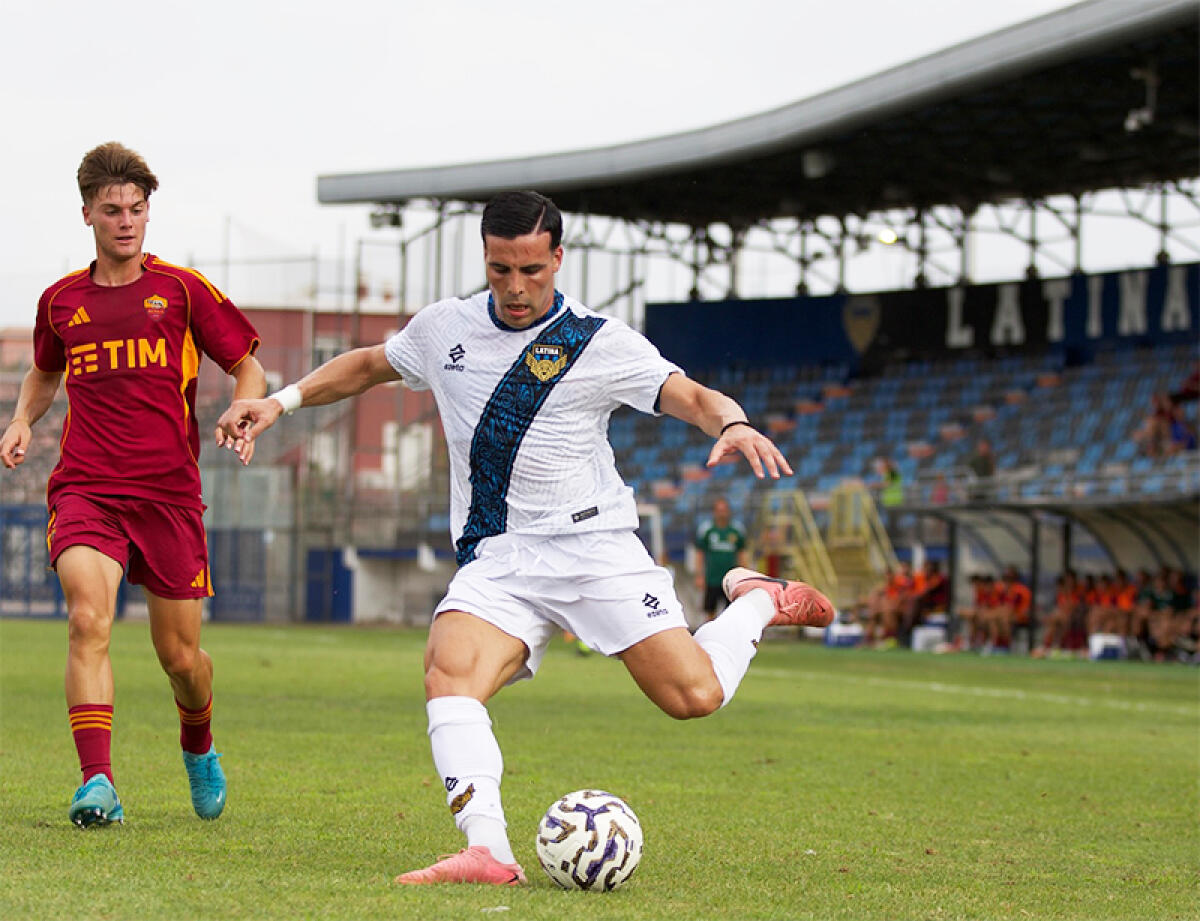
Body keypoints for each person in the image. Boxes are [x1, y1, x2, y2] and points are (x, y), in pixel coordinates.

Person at [216, 190, 835, 886]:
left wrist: (732, 423)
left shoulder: (599, 341)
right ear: (485, 256)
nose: (515, 287)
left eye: (532, 270)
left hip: (594, 546)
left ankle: (755, 599)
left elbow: (689, 395)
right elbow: (366, 365)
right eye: (500, 268)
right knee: (448, 671)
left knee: (693, 695)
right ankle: (488, 850)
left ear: (559, 259)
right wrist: (278, 401)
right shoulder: (443, 327)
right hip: (502, 555)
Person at [0, 142, 266, 828]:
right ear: (87, 212)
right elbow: (43, 371)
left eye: (137, 209)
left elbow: (247, 367)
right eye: (112, 209)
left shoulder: (181, 290)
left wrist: (245, 406)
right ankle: (98, 782)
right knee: (88, 618)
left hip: (169, 497)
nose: (126, 220)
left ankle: (199, 742)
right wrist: (22, 420)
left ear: (149, 213)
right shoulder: (60, 301)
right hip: (86, 487)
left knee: (181, 659)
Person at [693, 496, 748, 620]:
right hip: (712, 578)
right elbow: (700, 554)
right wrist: (699, 575)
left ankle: (730, 637)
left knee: (731, 611)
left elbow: (742, 553)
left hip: (731, 580)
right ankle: (709, 636)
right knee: (710, 611)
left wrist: (745, 575)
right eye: (719, 510)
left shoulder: (736, 530)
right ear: (714, 512)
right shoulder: (707, 530)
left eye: (724, 510)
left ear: (728, 511)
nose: (721, 513)